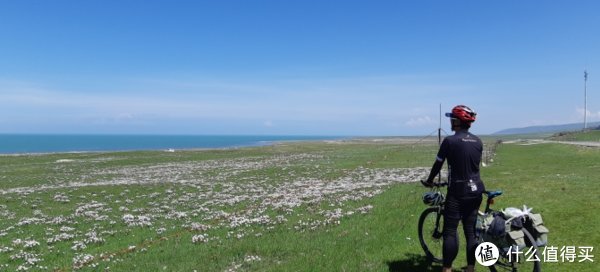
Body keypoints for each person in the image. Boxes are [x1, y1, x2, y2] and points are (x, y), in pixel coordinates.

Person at [423, 105, 484, 272]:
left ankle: (447, 269)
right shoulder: (478, 141)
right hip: (476, 190)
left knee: (449, 232)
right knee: (470, 232)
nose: (450, 121)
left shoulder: (450, 141)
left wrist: (429, 181)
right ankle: (470, 269)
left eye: (452, 119)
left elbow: (438, 164)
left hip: (458, 192)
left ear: (457, 121)